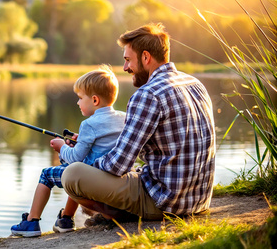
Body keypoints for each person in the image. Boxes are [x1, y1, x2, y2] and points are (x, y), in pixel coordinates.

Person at [61, 23, 216, 223]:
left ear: (145, 57)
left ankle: (116, 216)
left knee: (72, 174)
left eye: (128, 60)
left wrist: (89, 161)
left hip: (166, 203)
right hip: (200, 201)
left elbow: (118, 165)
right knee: (132, 171)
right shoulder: (195, 84)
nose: (125, 68)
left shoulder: (147, 94)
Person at [11, 65, 126, 237]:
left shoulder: (89, 124)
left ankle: (31, 222)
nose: (78, 102)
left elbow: (75, 159)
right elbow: (105, 143)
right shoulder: (123, 117)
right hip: (111, 177)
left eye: (80, 98)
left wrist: (61, 146)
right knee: (74, 168)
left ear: (94, 100)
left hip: (91, 178)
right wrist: (81, 140)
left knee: (47, 174)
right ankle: (65, 219)